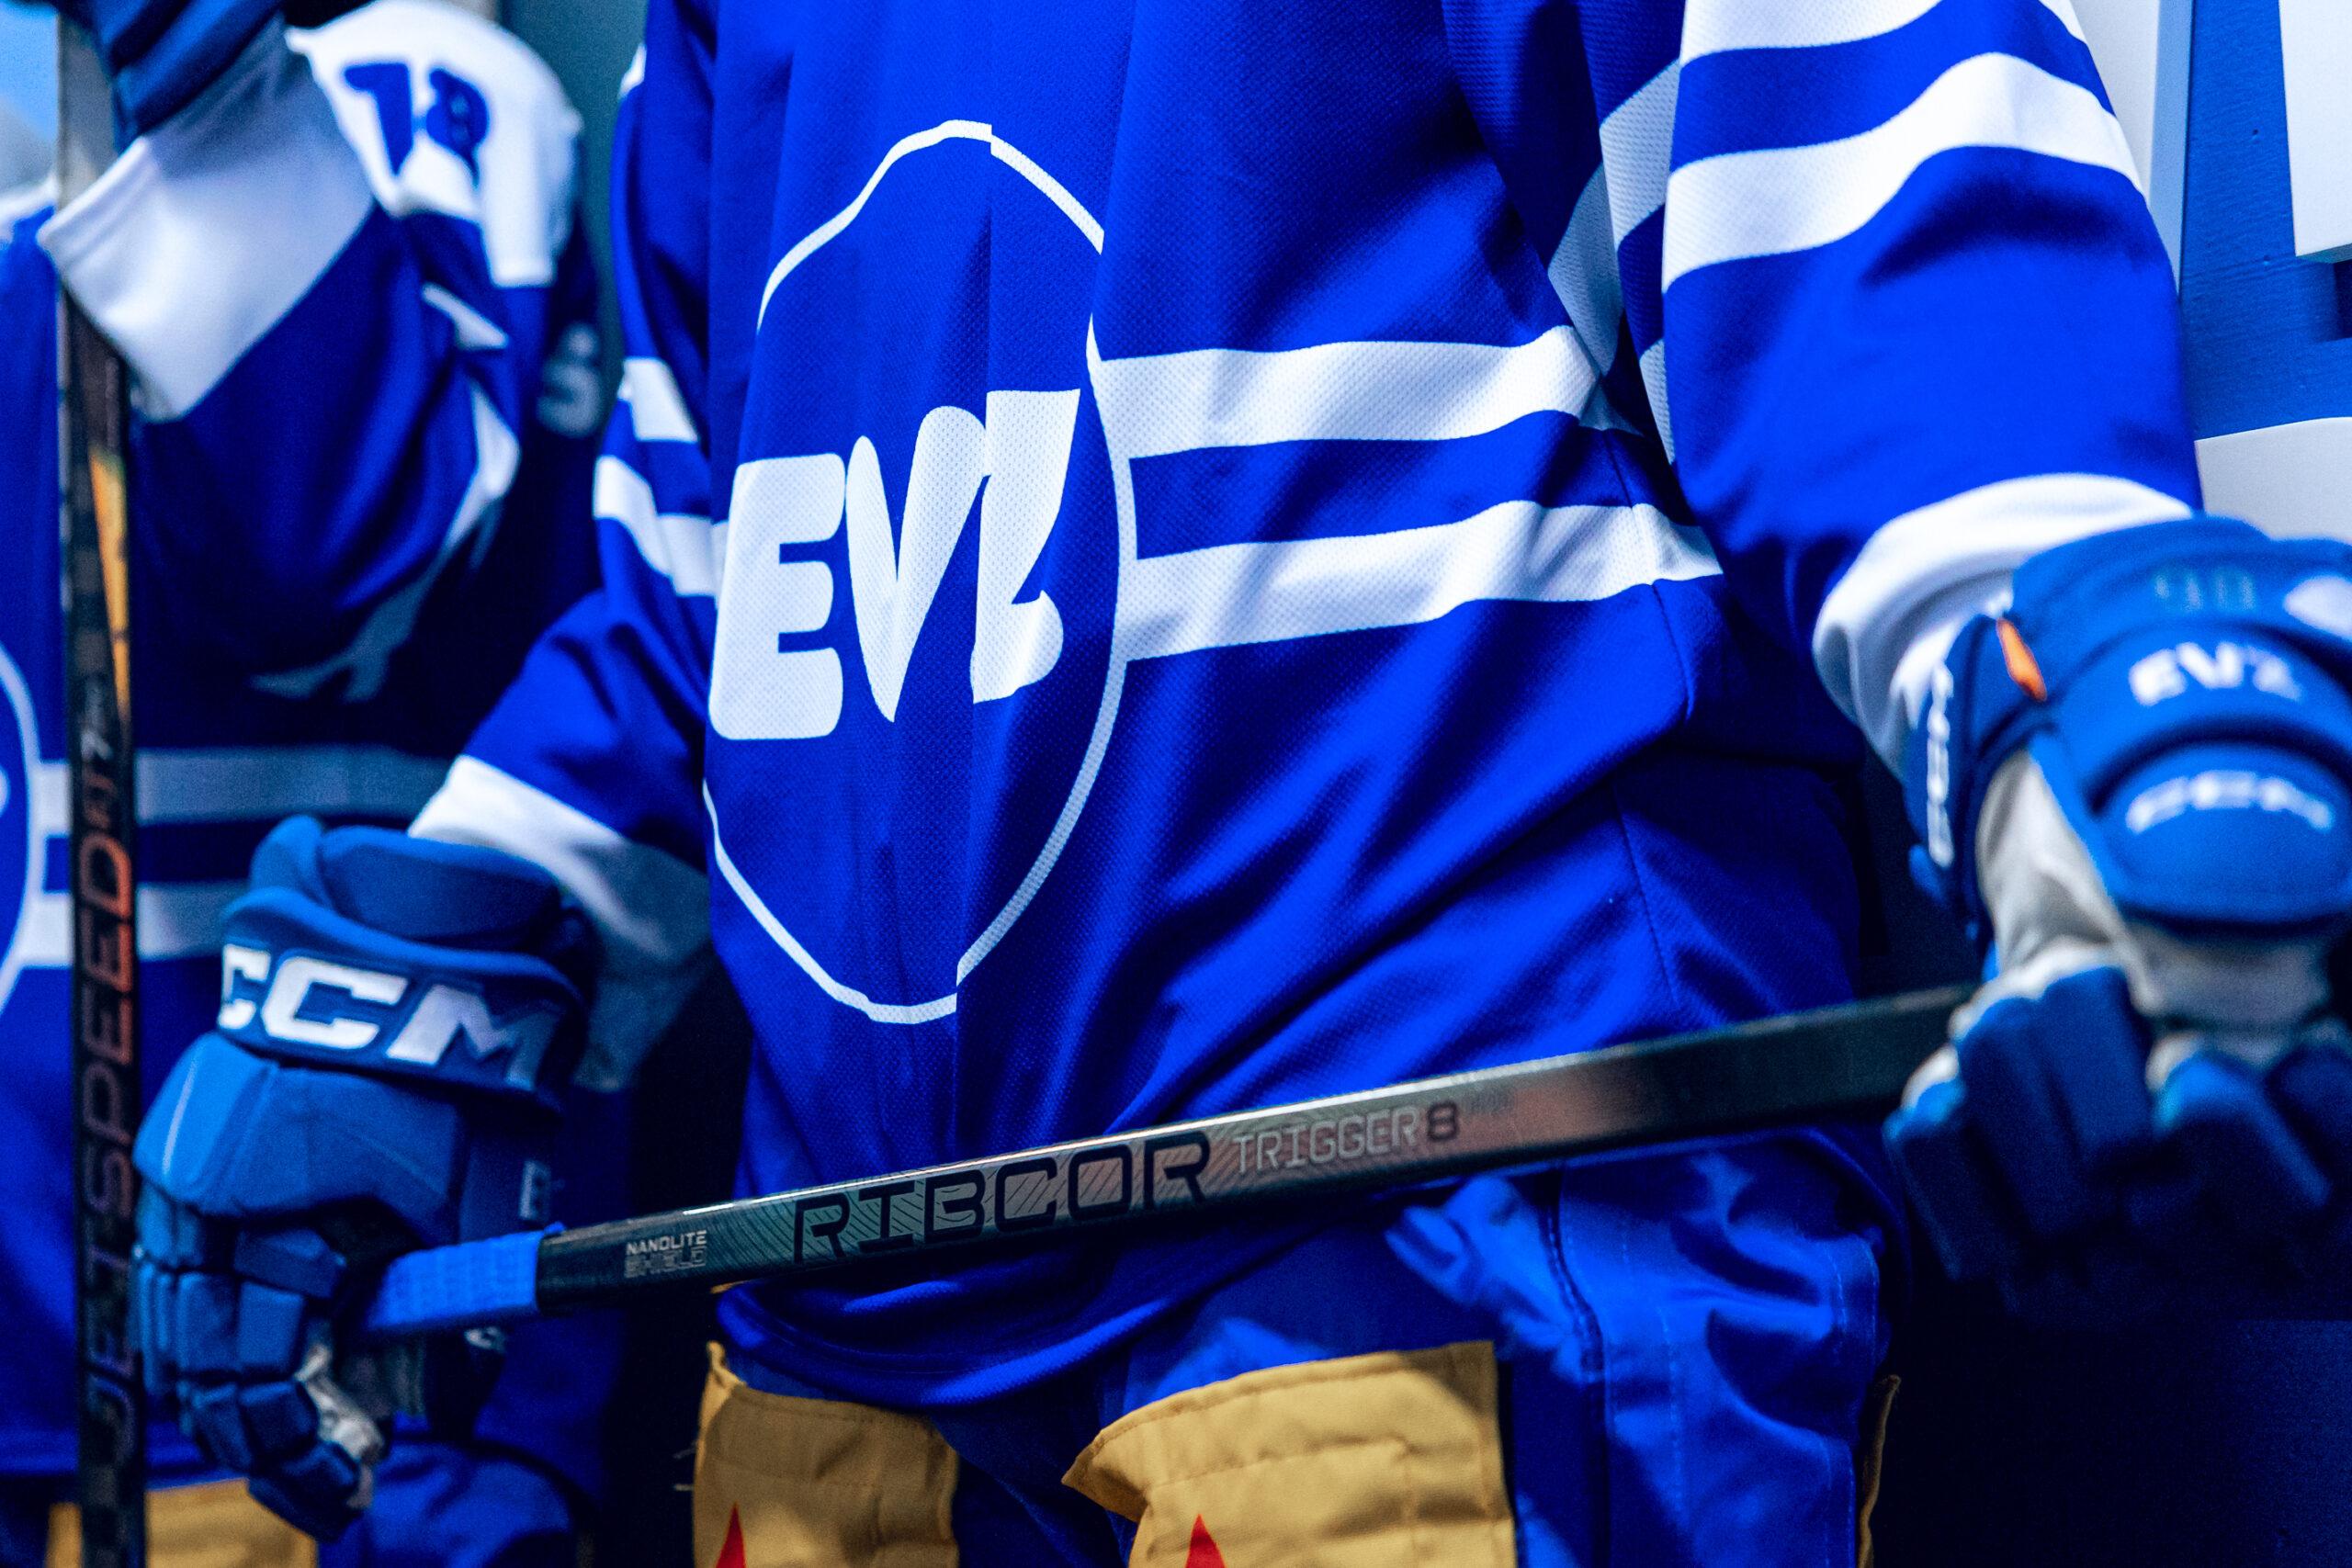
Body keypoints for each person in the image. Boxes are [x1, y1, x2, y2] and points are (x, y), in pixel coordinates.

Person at [114, 0, 2352, 1561]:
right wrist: (449, 958)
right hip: (847, 1362)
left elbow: (1854, 224)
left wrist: (2078, 707)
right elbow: (717, 575)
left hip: (1427, 1250)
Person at [0, 0, 621, 1561]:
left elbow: (333, 548)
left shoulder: (426, 77)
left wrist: (185, 50)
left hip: (288, 1362)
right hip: (75, 1334)